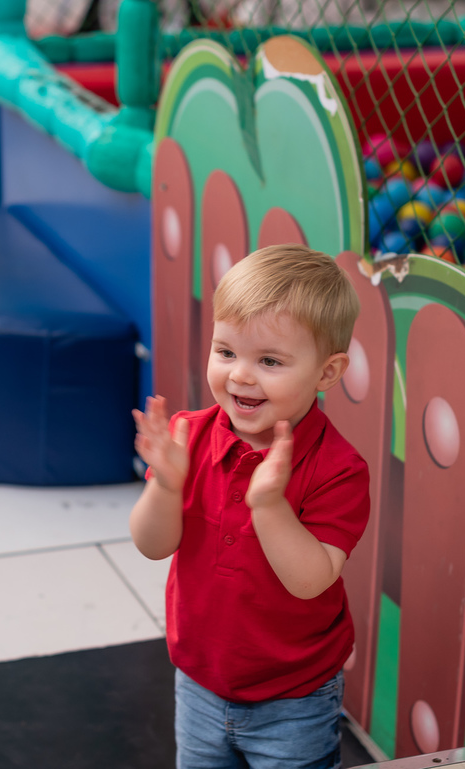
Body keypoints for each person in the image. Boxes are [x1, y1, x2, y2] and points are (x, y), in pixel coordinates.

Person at [130, 244, 369, 769]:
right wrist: (166, 487)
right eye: (226, 352)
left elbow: (311, 579)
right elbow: (152, 546)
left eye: (270, 361)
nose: (240, 375)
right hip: (199, 679)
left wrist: (268, 506)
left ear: (327, 373)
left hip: (295, 697)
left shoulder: (338, 469)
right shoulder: (188, 436)